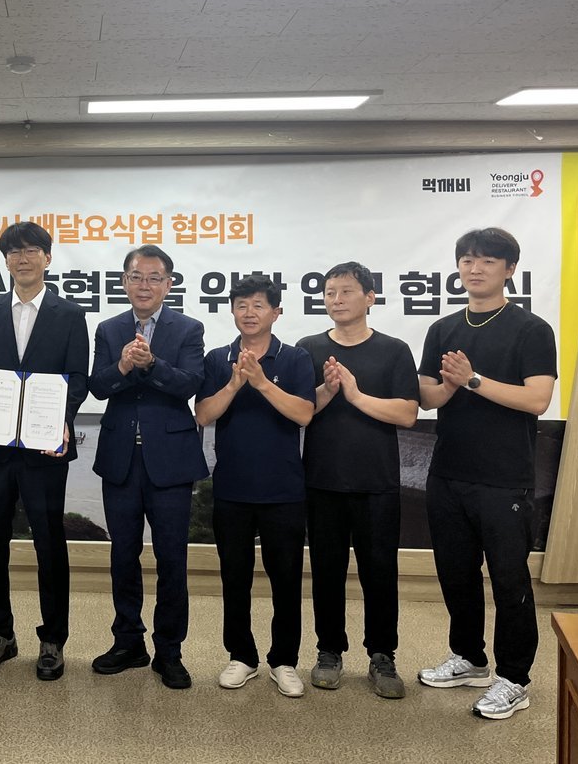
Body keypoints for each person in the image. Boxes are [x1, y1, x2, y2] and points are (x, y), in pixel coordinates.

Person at [416, 228, 556, 720]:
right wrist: (451, 385)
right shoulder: (443, 329)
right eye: (467, 260)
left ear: (509, 269)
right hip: (448, 472)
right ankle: (469, 658)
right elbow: (427, 395)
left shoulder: (530, 329)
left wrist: (473, 379)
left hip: (504, 478)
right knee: (456, 574)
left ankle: (514, 678)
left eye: (488, 261)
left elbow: (537, 399)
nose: (475, 269)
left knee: (509, 580)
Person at [0, 221, 89, 681]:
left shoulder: (69, 313)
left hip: (43, 449)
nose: (23, 258)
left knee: (49, 544)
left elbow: (78, 378)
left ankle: (53, 639)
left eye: (32, 250)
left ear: (47, 258)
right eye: (14, 252)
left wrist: (61, 420)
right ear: (5, 261)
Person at [297, 262, 419, 699]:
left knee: (380, 572)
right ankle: (329, 651)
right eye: (329, 292)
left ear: (370, 298)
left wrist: (355, 394)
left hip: (376, 483)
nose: (336, 300)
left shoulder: (394, 350)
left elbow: (407, 413)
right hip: (322, 480)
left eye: (346, 291)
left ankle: (382, 655)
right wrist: (328, 391)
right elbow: (300, 411)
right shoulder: (308, 348)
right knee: (326, 572)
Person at [88, 244, 206, 690]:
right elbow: (98, 387)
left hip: (170, 461)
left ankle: (169, 651)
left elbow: (190, 384)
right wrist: (122, 364)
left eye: (154, 278)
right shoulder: (108, 328)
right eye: (136, 277)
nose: (145, 285)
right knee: (123, 554)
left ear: (168, 284)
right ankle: (128, 642)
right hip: (121, 458)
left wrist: (152, 364)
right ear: (124, 282)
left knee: (172, 558)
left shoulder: (188, 328)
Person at [195, 274, 314, 698]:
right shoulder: (217, 358)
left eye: (259, 305)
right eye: (242, 304)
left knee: (287, 580)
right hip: (232, 488)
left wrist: (261, 382)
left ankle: (284, 660)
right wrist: (234, 383)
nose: (249, 312)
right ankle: (241, 656)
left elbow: (304, 413)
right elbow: (203, 415)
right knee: (234, 578)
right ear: (232, 310)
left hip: (284, 489)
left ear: (276, 312)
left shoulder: (295, 358)